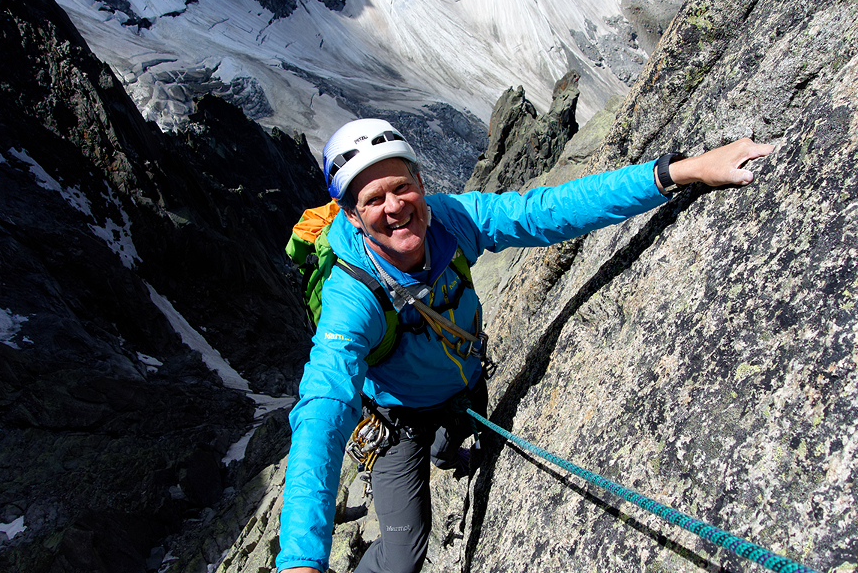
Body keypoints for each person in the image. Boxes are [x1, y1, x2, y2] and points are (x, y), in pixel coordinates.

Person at [275, 118, 775, 573]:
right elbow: (322, 408)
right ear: (353, 216)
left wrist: (679, 172)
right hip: (399, 417)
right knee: (403, 557)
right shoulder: (352, 297)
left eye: (402, 187)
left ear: (421, 184)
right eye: (373, 200)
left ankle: (448, 455)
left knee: (454, 443)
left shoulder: (450, 220)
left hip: (465, 386)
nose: (395, 207)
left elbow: (546, 211)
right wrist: (301, 560)